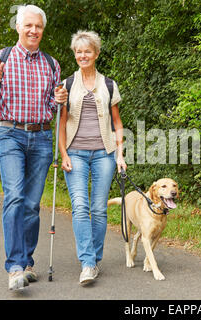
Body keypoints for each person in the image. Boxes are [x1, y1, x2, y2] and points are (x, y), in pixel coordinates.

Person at [0, 5, 67, 290]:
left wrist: (61, 98)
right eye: (28, 25)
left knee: (31, 205)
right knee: (14, 197)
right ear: (18, 27)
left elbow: (53, 108)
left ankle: (27, 262)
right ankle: (14, 266)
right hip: (10, 134)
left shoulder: (51, 64)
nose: (33, 30)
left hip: (41, 137)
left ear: (43, 30)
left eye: (38, 26)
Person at [58, 30, 126, 286]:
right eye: (78, 51)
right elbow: (62, 124)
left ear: (96, 54)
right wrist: (63, 153)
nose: (82, 55)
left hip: (104, 154)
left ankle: (94, 259)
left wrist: (120, 154)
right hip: (74, 152)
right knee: (80, 206)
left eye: (87, 51)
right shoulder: (66, 85)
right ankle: (87, 262)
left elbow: (117, 123)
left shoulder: (109, 84)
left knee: (98, 210)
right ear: (75, 55)